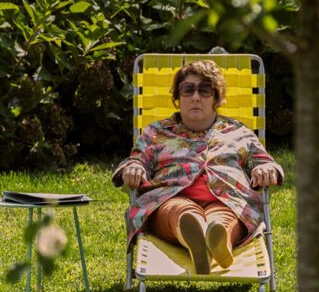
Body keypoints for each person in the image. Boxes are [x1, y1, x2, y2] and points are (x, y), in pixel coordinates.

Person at [112, 59, 283, 274]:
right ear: (177, 97)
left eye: (204, 91)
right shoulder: (157, 133)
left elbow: (264, 161)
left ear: (216, 98)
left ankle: (217, 241)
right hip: (170, 198)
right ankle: (198, 239)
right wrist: (134, 168)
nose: (195, 97)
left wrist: (264, 169)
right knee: (179, 212)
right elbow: (136, 160)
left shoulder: (238, 131)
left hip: (227, 200)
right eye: (188, 90)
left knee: (224, 219)